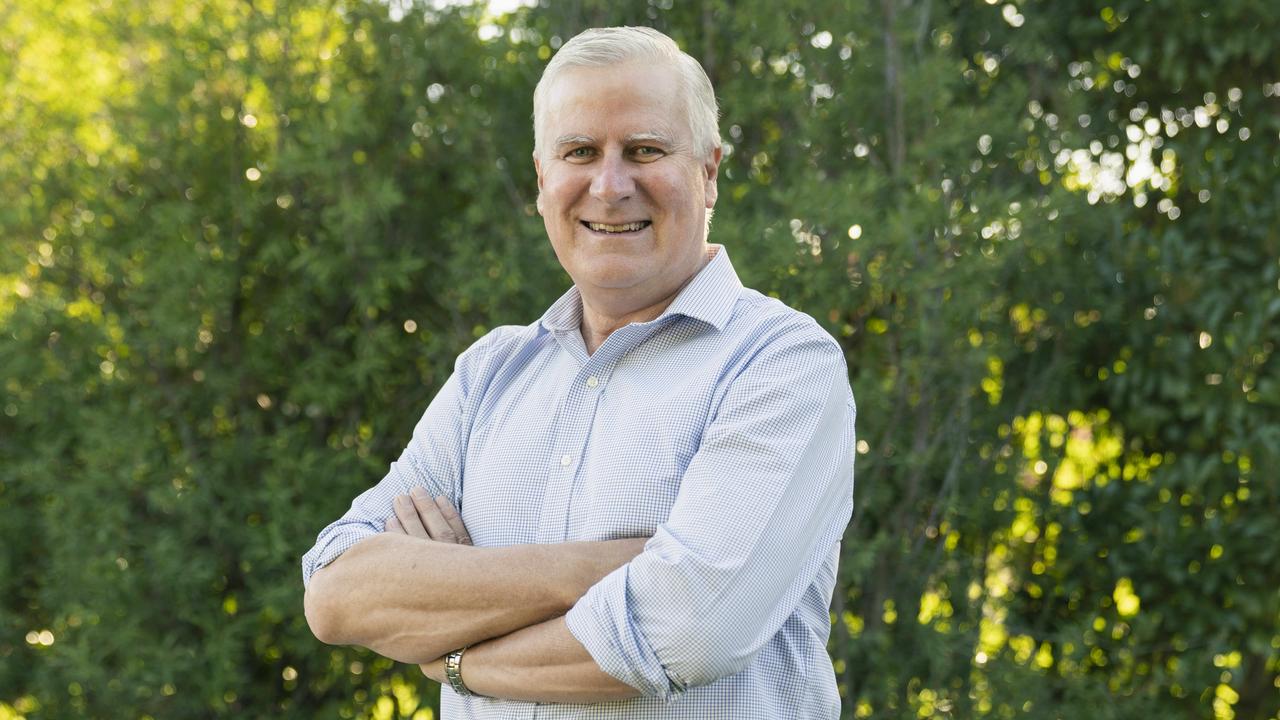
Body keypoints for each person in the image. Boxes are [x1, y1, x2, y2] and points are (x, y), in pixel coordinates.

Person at [302, 25, 856, 719]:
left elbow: (684, 632)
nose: (610, 184)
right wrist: (609, 569)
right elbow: (334, 593)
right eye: (580, 152)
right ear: (542, 180)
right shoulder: (489, 374)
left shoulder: (780, 365)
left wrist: (455, 654)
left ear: (709, 172)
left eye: (645, 150)